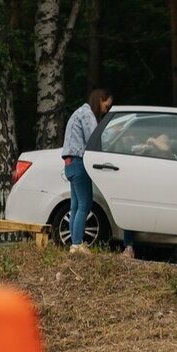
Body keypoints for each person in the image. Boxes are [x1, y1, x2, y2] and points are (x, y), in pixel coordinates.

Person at [61, 88, 113, 253]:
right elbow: (93, 139)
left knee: (75, 205)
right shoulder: (87, 115)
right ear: (100, 100)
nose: (106, 110)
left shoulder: (79, 112)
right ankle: (77, 244)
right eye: (106, 105)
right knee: (85, 203)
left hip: (69, 164)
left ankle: (74, 243)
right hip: (79, 162)